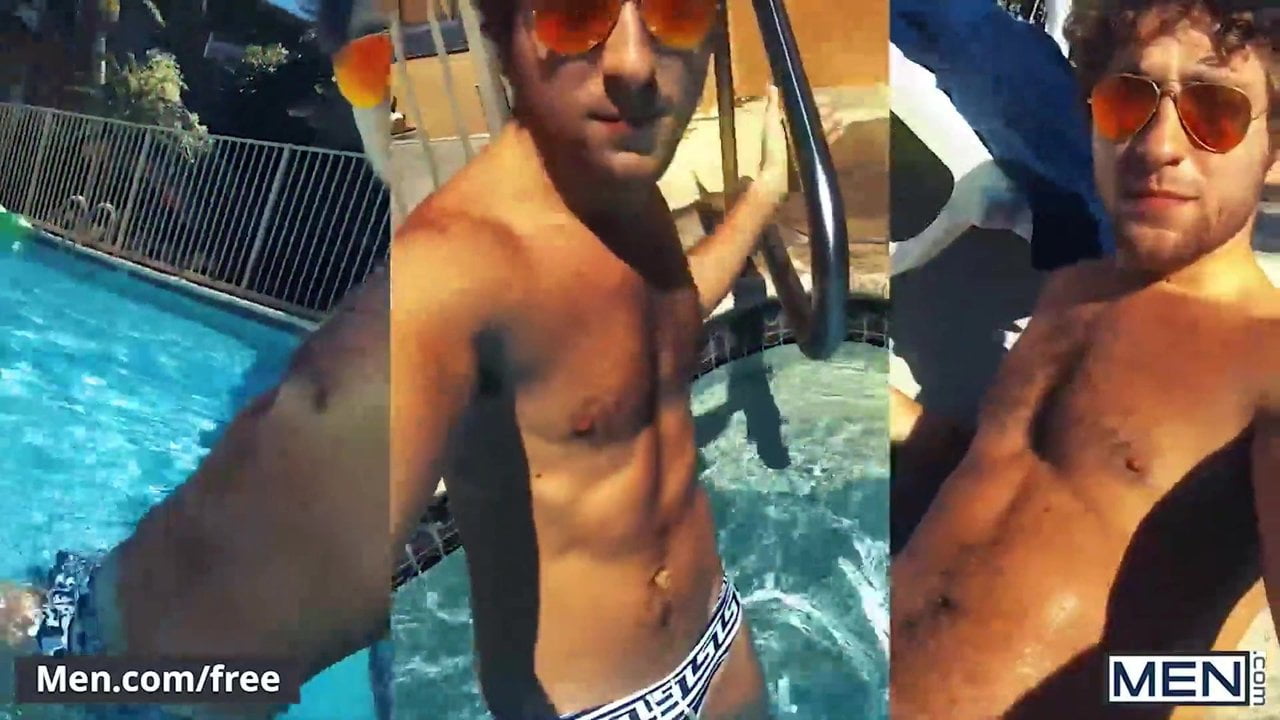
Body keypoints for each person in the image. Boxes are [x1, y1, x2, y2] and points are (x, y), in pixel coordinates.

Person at [2, 0, 839, 718]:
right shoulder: (447, 284)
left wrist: (761, 197)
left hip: (716, 638)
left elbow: (655, 333)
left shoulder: (621, 186)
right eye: (574, 13)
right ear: (503, 35)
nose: (632, 63)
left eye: (674, 9)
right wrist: (70, 675)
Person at [889, 1, 1279, 718]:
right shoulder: (1074, 291)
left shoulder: (1268, 363)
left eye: (1214, 112)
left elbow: (1239, 678)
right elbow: (1021, 481)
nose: (1158, 144)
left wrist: (1131, 691)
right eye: (1127, 100)